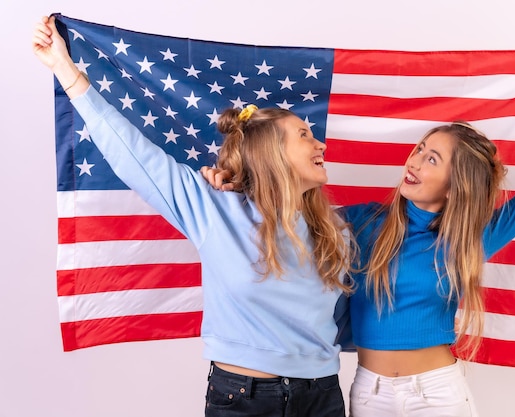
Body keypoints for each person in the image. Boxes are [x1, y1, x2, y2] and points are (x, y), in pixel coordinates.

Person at [202, 48, 515, 416]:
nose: (415, 162)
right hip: (369, 392)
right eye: (420, 148)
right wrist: (237, 178)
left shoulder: (470, 239)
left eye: (433, 159)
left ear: (457, 183)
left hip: (439, 393)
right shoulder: (361, 223)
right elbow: (288, 202)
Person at [33, 15, 354, 417]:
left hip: (323, 397)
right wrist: (65, 68)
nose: (320, 142)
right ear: (271, 153)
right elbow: (130, 151)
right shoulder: (211, 206)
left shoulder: (335, 229)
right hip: (244, 399)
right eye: (305, 134)